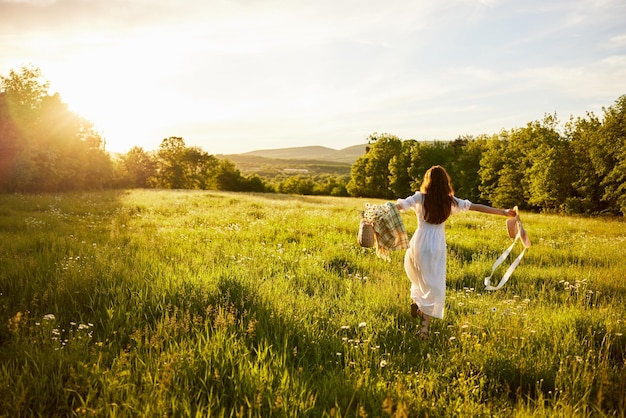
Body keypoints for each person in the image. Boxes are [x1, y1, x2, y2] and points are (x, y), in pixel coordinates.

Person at [396, 165, 517, 340]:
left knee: (420, 276)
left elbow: (399, 206)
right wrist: (503, 212)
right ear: (445, 182)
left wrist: (379, 210)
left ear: (427, 181)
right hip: (436, 245)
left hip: (419, 243)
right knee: (434, 284)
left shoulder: (419, 198)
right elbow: (476, 207)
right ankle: (424, 328)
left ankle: (417, 302)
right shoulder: (450, 201)